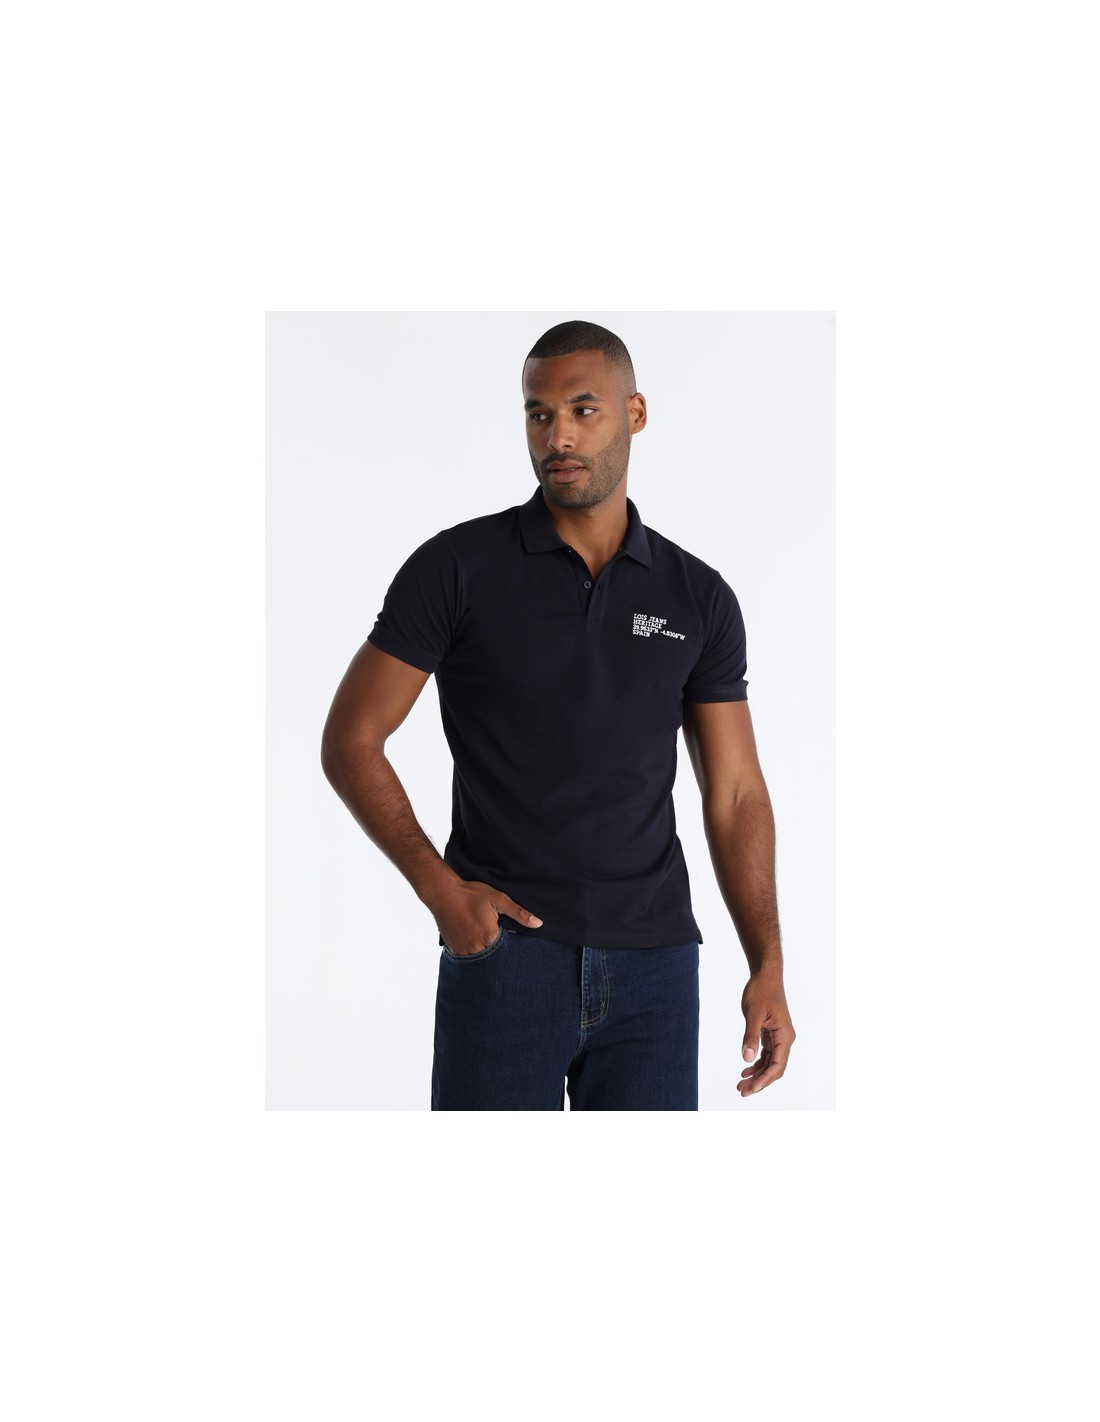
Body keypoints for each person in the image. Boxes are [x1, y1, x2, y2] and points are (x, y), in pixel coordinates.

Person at [320, 319, 795, 1110]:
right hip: (506, 958)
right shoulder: (457, 568)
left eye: (583, 410)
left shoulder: (698, 596)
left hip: (655, 971)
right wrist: (442, 892)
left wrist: (767, 962)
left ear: (635, 413)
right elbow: (352, 739)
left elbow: (737, 791)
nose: (558, 437)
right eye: (538, 414)